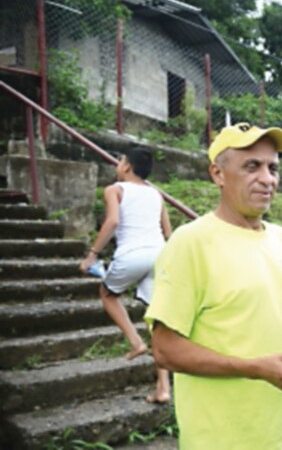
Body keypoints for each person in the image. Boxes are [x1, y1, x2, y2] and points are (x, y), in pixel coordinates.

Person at [145, 123, 282, 450]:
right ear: (218, 174)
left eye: (273, 168)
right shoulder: (190, 243)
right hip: (224, 440)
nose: (267, 178)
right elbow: (165, 349)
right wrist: (252, 368)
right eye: (252, 166)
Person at [79, 147, 172, 404]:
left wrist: (92, 255)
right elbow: (168, 232)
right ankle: (163, 388)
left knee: (107, 294)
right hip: (159, 255)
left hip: (132, 254)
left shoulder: (115, 189)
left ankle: (135, 342)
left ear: (127, 166)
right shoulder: (157, 194)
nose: (117, 164)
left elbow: (112, 222)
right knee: (155, 321)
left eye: (120, 160)